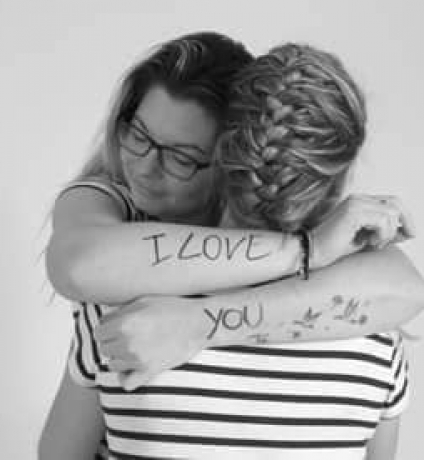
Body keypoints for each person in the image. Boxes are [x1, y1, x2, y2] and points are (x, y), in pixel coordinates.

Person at [39, 34, 423, 459]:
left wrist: (198, 324)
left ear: (226, 160)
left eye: (182, 157)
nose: (145, 168)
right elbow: (79, 263)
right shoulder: (373, 334)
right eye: (139, 134)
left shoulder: (120, 306)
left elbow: (406, 288)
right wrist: (308, 250)